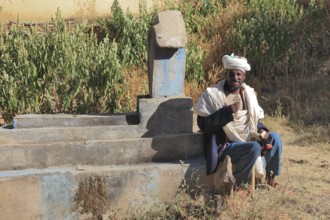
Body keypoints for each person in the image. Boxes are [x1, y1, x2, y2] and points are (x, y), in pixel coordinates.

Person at [195, 53, 282, 189]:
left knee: (275, 138)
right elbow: (202, 124)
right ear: (226, 75)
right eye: (231, 74)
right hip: (225, 144)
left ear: (244, 76)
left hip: (249, 137)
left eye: (238, 74)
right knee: (253, 147)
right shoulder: (213, 95)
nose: (235, 78)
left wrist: (261, 129)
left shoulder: (248, 93)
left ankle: (270, 178)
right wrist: (226, 112)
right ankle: (237, 186)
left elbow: (252, 120)